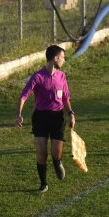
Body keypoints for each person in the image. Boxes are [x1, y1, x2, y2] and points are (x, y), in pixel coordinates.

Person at [15, 45, 77, 193]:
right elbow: (23, 96)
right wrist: (18, 114)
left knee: (56, 152)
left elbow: (66, 98)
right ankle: (43, 184)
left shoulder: (61, 76)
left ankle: (57, 162)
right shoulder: (38, 77)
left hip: (57, 118)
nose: (63, 60)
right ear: (56, 58)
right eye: (62, 57)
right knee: (42, 154)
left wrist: (71, 113)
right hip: (41, 118)